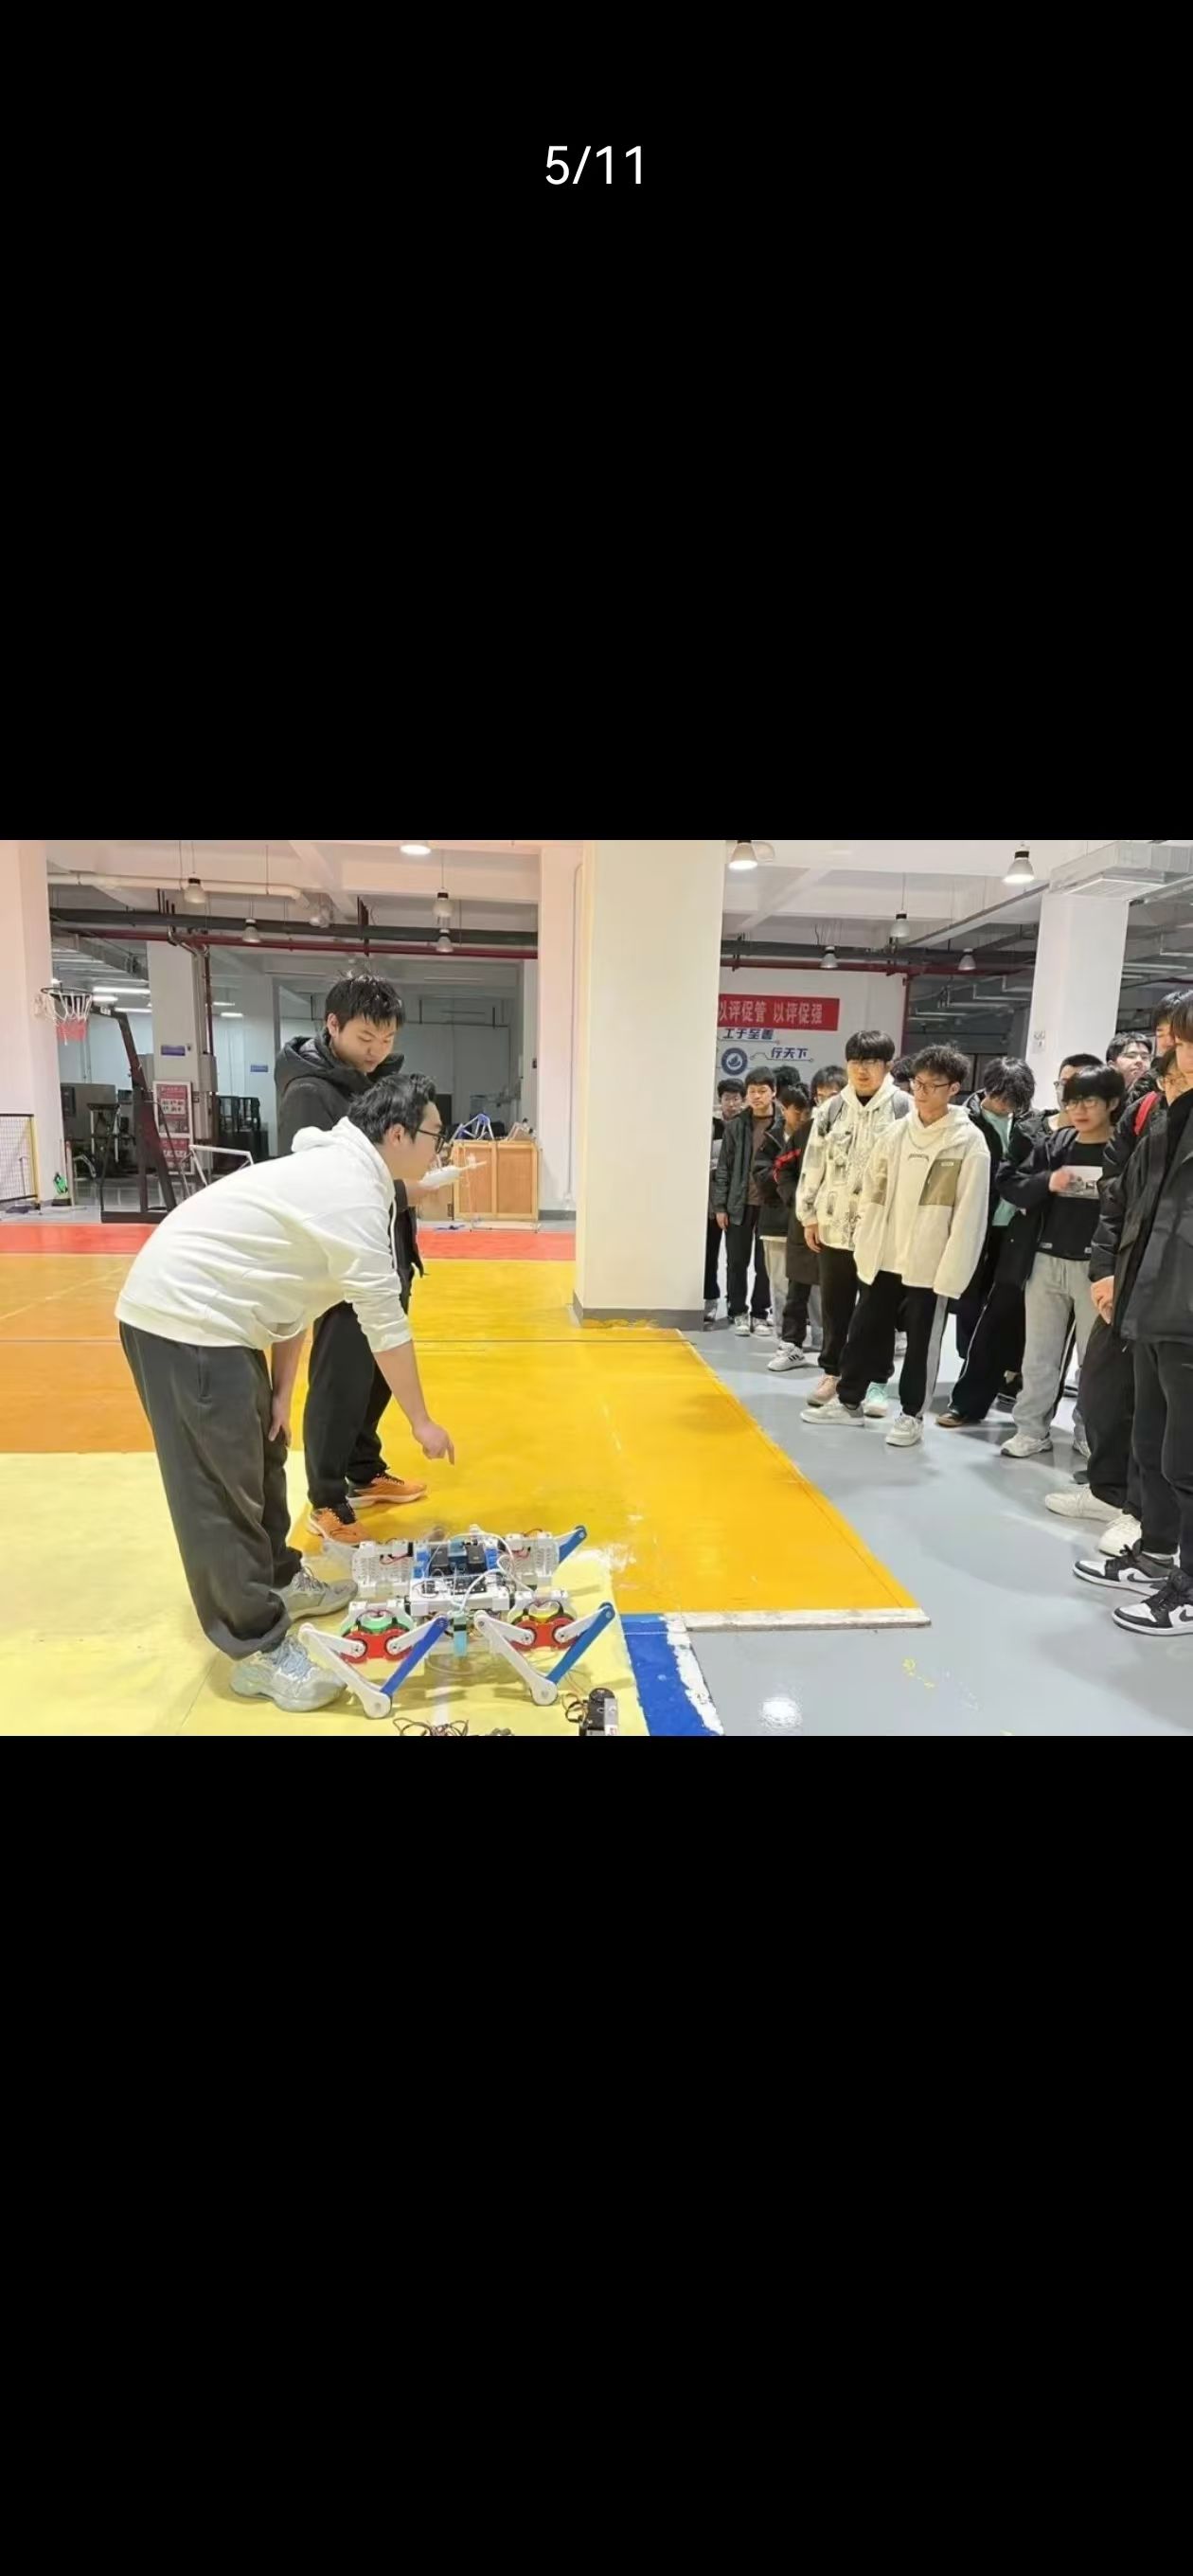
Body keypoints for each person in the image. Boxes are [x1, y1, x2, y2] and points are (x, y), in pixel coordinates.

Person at [116, 1073, 456, 1713]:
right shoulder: (351, 1196)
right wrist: (422, 1421)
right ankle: (255, 1648)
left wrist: (280, 1392)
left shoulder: (343, 1173)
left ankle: (277, 1577)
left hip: (224, 1321)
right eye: (435, 1134)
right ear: (397, 1134)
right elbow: (384, 1323)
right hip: (184, 1319)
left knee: (264, 1450)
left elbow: (296, 1294)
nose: (440, 1148)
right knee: (219, 1490)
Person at [276, 975, 431, 1542]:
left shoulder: (373, 1083)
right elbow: (315, 1185)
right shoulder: (310, 1092)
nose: (376, 1051)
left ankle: (364, 1469)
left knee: (374, 1377)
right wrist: (409, 1191)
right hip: (344, 1258)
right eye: (366, 1038)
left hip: (387, 1245)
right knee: (339, 1376)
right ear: (333, 1025)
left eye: (386, 1040)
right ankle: (326, 1497)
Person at [1071, 999, 1193, 1636]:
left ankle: (1188, 1587)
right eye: (1172, 1042)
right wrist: (1108, 1271)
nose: (1174, 1054)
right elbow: (1125, 1201)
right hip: (1148, 1301)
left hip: (1184, 1308)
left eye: (1183, 1043)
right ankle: (1157, 1553)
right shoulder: (1165, 1116)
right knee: (1153, 1440)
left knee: (1186, 1456)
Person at [802, 1046, 988, 1445]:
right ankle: (848, 1401)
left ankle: (911, 1414)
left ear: (953, 1088)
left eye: (932, 1085)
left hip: (930, 1260)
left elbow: (971, 1214)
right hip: (884, 1252)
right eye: (917, 1083)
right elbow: (872, 1189)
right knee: (864, 1329)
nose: (921, 1093)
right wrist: (865, 1241)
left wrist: (953, 1269)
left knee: (921, 1342)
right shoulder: (896, 1133)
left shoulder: (968, 1142)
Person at [1049, 1044, 1191, 1547]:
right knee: (1105, 1393)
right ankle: (1113, 1494)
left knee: (1167, 1425)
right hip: (1131, 1283)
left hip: (1176, 1299)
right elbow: (1118, 1201)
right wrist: (1106, 1270)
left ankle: (1147, 1523)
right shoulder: (1152, 1118)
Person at [994, 1066, 1125, 1459]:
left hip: (1096, 1269)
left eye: (1089, 1101)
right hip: (1045, 1260)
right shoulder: (1055, 1144)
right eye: (1072, 1102)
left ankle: (1090, 1432)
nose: (1079, 1110)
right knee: (1039, 1353)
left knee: (1094, 1359)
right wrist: (1046, 1182)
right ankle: (1031, 1429)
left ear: (1112, 1103)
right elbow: (1011, 1183)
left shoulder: (1124, 1150)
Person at [795, 1030, 911, 1408]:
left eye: (872, 1062)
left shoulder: (904, 1109)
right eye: (856, 1062)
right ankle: (833, 1372)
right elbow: (813, 1165)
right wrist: (808, 1216)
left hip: (881, 1230)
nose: (862, 1070)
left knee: (877, 1309)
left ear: (887, 1066)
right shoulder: (831, 1110)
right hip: (833, 1226)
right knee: (835, 1306)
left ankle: (876, 1380)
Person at [954, 1059, 1037, 1363]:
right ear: (988, 1089)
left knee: (1008, 1299)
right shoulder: (964, 1121)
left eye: (1014, 1102)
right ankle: (969, 1361)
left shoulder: (1030, 1122)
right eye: (1002, 1099)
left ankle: (1000, 1367)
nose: (1006, 1107)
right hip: (974, 1223)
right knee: (970, 1297)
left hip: (1015, 1227)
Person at [714, 1067, 783, 1336]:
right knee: (736, 1261)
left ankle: (760, 1314)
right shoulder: (736, 1126)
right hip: (739, 1204)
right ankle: (737, 1311)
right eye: (752, 1091)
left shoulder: (783, 1125)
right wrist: (720, 1206)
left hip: (772, 1204)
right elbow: (724, 1168)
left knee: (765, 1264)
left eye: (762, 1091)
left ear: (773, 1092)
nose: (756, 1096)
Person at [755, 1085, 817, 1371]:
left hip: (820, 1223)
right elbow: (766, 1175)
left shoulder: (821, 1131)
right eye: (797, 1111)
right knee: (785, 1286)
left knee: (820, 1290)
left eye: (807, 1110)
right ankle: (787, 1340)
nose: (803, 1116)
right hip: (780, 1221)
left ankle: (822, 1340)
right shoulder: (773, 1138)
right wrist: (794, 1197)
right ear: (785, 1109)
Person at [705, 1079, 745, 1322]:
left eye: (736, 1099)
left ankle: (735, 1302)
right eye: (727, 1099)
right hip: (712, 1201)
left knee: (736, 1258)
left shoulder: (746, 1126)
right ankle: (710, 1297)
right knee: (709, 1253)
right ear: (720, 1100)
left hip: (738, 1201)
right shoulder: (710, 1126)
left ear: (743, 1100)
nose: (731, 1104)